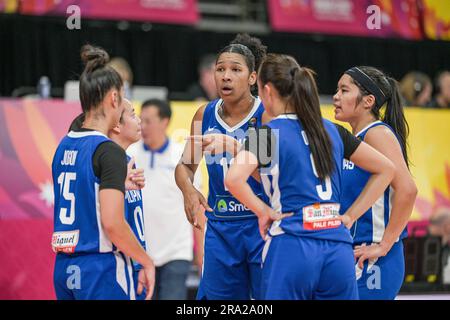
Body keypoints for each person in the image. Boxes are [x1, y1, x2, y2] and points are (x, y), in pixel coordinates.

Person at [225, 54, 396, 300]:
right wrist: (349, 216)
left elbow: (233, 179)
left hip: (293, 243)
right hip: (337, 246)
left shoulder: (267, 133)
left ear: (268, 91)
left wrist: (263, 211)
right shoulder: (331, 129)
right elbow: (386, 169)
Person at [52, 45, 154, 300]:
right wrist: (146, 261)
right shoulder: (109, 152)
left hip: (64, 269)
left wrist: (116, 183)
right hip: (100, 268)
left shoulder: (64, 144)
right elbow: (112, 224)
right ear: (113, 99)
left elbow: (86, 193)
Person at [174, 33, 269, 300]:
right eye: (220, 69)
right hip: (221, 228)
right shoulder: (204, 114)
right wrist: (188, 190)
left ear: (252, 78)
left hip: (260, 226)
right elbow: (185, 166)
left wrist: (233, 146)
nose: (226, 76)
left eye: (235, 70)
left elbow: (266, 178)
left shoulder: (264, 116)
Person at [334, 66, 418, 299]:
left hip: (375, 258)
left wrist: (384, 245)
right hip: (352, 253)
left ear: (368, 101)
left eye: (344, 90)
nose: (336, 96)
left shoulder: (376, 133)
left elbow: (408, 190)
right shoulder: (351, 140)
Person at [68, 99, 148, 300]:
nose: (139, 120)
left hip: (133, 263)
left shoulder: (127, 162)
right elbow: (110, 222)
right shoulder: (103, 161)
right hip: (113, 264)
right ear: (116, 125)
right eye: (132, 114)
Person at [127, 98, 202, 300]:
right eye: (140, 120)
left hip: (175, 253)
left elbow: (197, 208)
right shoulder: (129, 155)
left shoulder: (183, 158)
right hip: (139, 254)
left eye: (149, 121)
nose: (143, 126)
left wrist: (201, 256)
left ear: (165, 121)